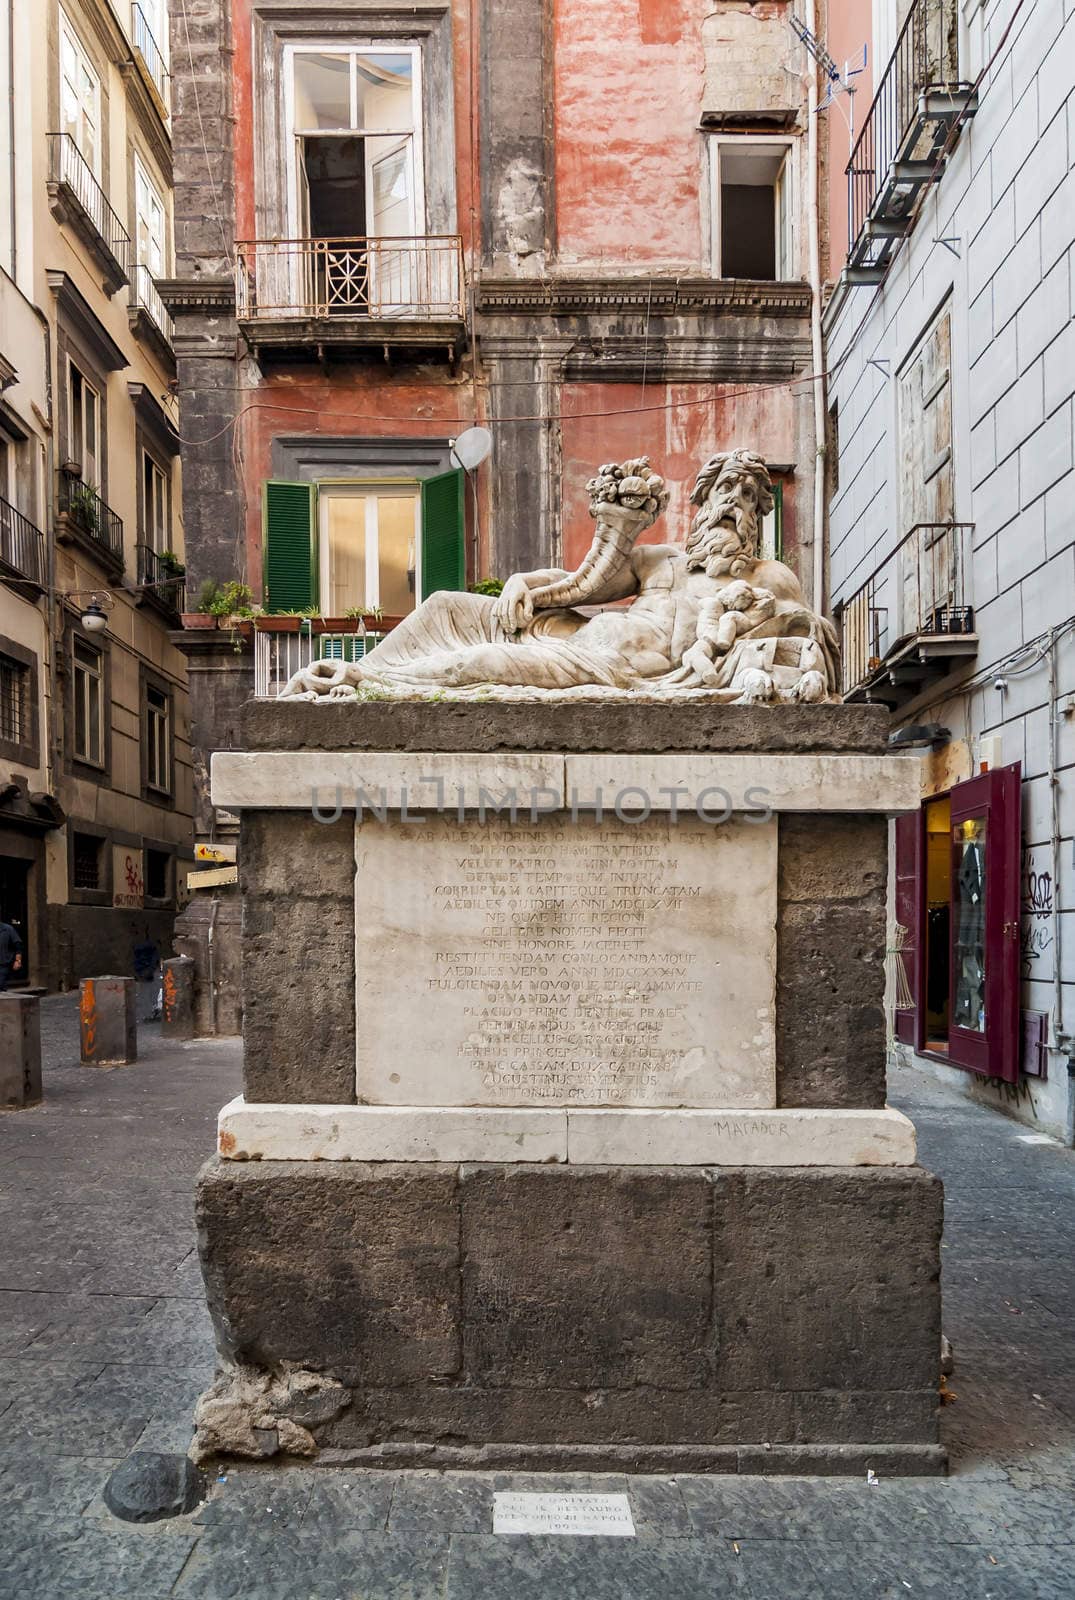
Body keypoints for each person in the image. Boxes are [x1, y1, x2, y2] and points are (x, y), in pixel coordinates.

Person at [0, 916, 23, 991]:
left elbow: (18, 946)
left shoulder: (8, 929)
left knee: (0, 985)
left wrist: (18, 961)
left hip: (3, 964)